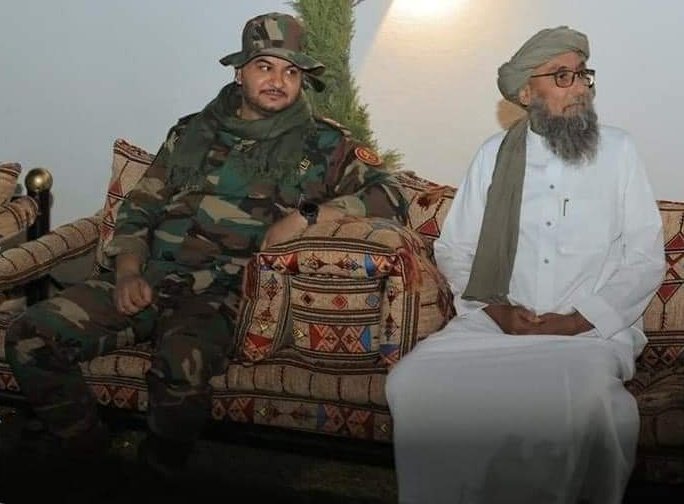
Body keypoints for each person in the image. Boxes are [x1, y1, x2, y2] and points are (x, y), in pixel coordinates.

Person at [4, 12, 407, 475]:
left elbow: (391, 195)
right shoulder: (190, 133)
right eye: (265, 66)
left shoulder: (326, 145)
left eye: (291, 71)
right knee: (31, 334)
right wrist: (128, 271)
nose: (278, 81)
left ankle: (161, 469)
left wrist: (307, 215)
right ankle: (87, 451)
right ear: (240, 72)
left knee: (183, 364)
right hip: (150, 277)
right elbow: (139, 209)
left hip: (224, 295)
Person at [385, 26, 665, 504]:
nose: (579, 88)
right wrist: (498, 311)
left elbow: (644, 257)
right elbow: (455, 248)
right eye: (561, 76)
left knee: (577, 400)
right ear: (525, 92)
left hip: (589, 333)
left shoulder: (618, 151)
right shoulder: (493, 156)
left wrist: (577, 320)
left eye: (582, 75)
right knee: (411, 381)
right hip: (496, 325)